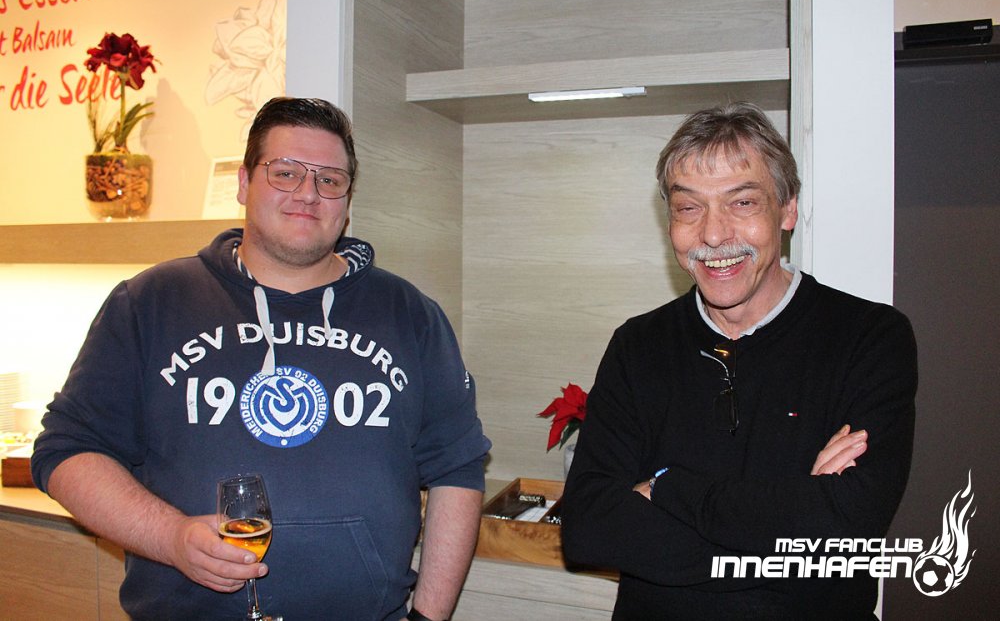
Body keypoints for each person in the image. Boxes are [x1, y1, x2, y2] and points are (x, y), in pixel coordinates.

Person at [31, 97, 490, 621]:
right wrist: (171, 536)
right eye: (286, 172)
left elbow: (458, 470)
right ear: (244, 182)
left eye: (330, 180)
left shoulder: (411, 315)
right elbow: (67, 453)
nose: (308, 194)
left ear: (347, 201)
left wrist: (427, 619)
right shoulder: (150, 302)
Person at [560, 102, 917, 619]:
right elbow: (588, 530)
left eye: (742, 202)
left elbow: (849, 530)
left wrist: (666, 489)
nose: (712, 234)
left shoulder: (869, 337)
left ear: (787, 210)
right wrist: (793, 530)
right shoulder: (637, 345)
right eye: (688, 208)